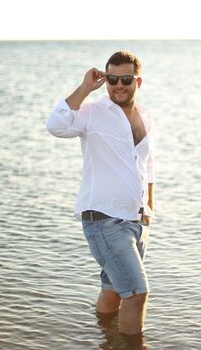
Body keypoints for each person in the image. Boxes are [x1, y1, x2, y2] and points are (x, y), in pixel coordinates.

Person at [46, 50, 155, 337]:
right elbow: (55, 126)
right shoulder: (92, 112)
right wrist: (85, 88)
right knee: (136, 293)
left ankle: (105, 338)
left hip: (136, 220)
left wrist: (149, 211)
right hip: (104, 220)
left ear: (138, 82)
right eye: (112, 79)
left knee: (113, 290)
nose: (119, 85)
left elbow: (147, 165)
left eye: (126, 80)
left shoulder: (145, 116)